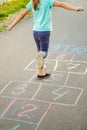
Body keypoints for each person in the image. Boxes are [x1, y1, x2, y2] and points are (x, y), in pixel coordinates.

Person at [8, 0, 84, 79]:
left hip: (35, 32)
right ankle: (42, 56)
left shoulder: (32, 2)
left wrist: (12, 25)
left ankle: (40, 73)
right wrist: (75, 8)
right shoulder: (47, 1)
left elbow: (22, 14)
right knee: (43, 52)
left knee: (39, 52)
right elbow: (62, 4)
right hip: (44, 32)